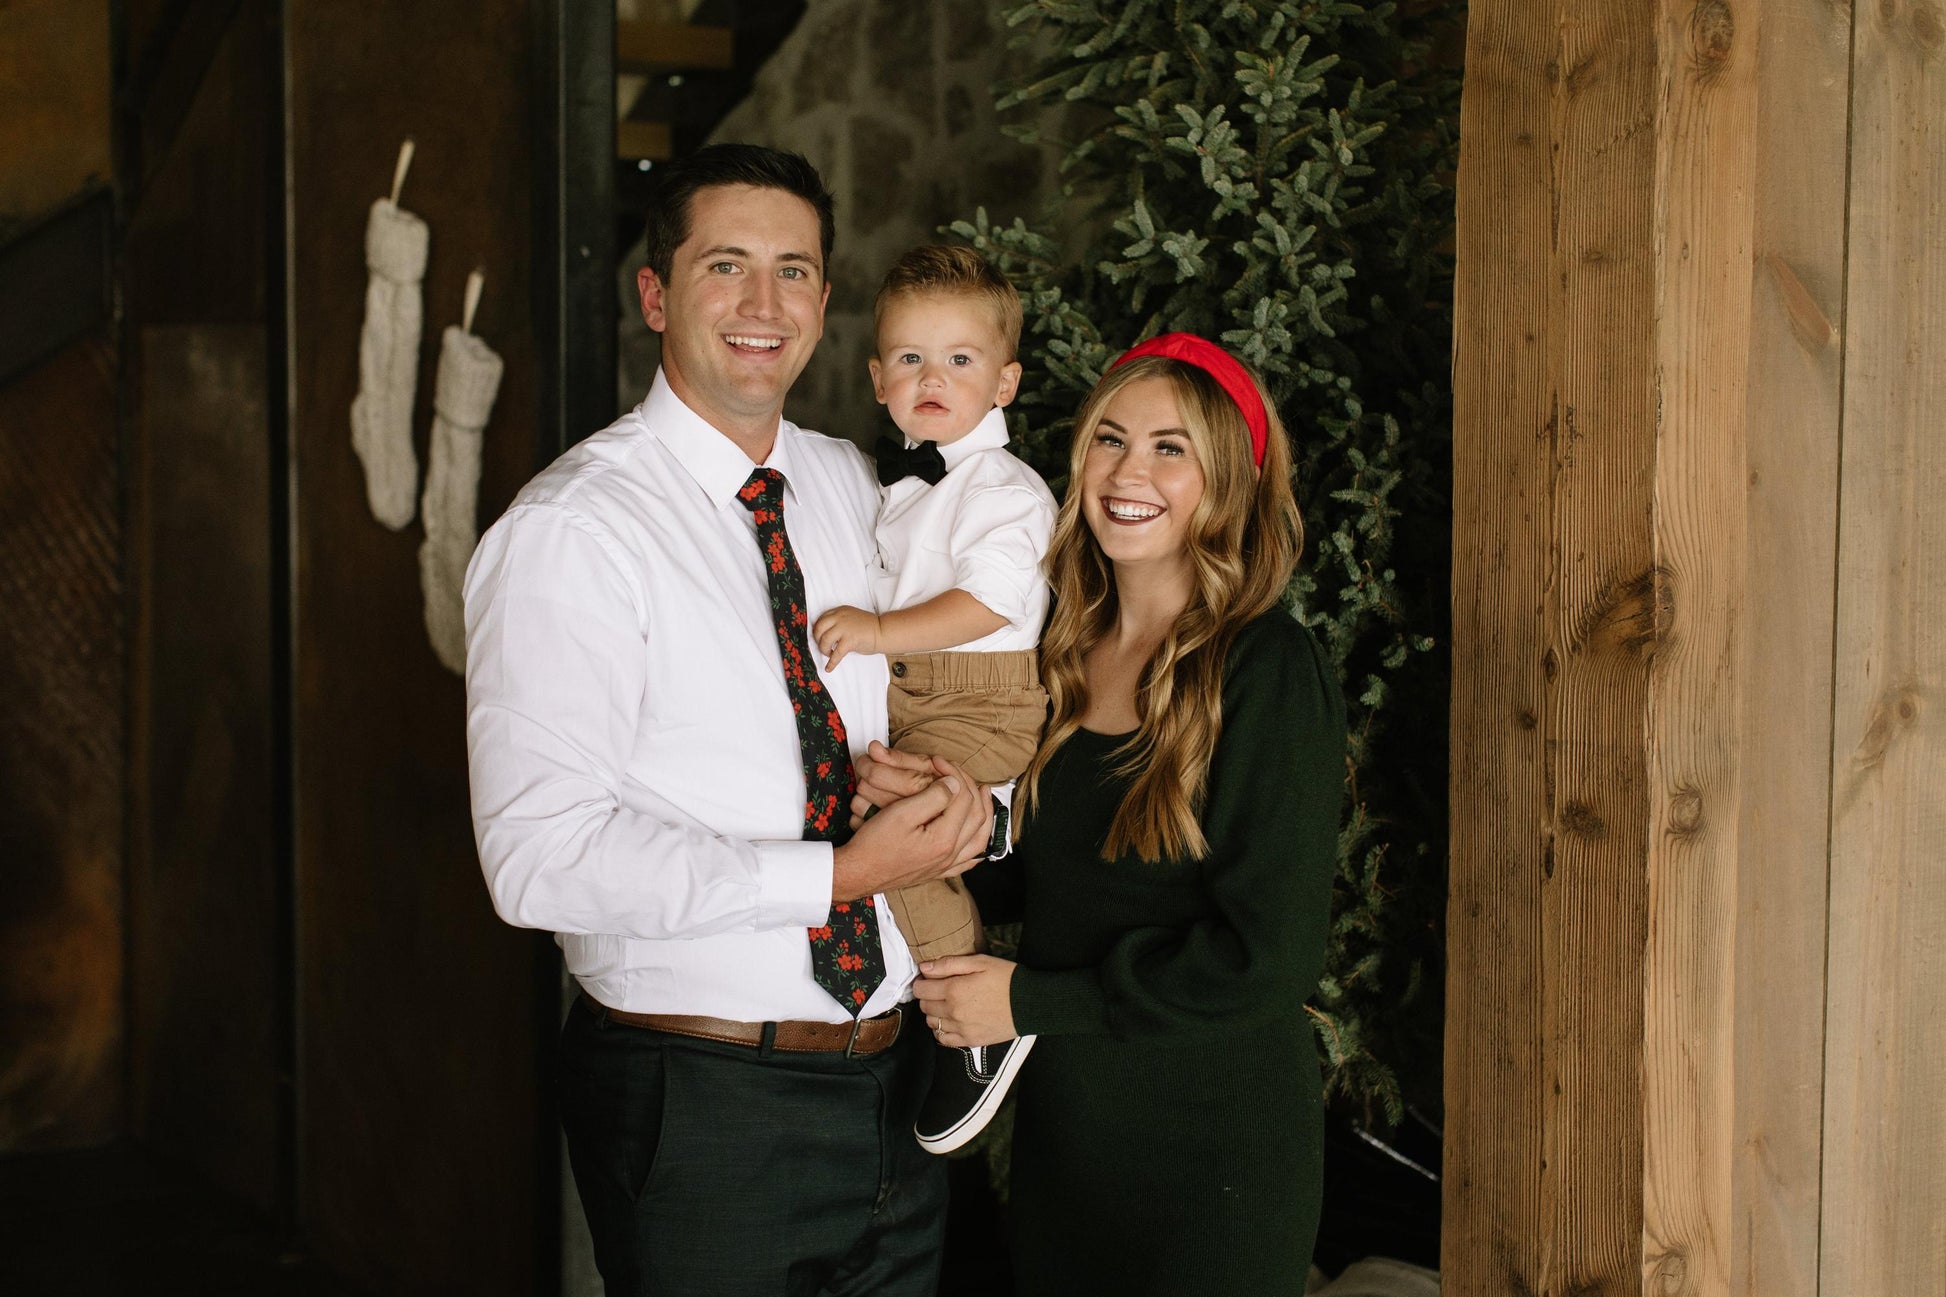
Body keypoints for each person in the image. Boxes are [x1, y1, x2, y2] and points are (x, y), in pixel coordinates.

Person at [462, 143, 996, 1296]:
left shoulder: (863, 488)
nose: (764, 303)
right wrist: (837, 875)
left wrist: (956, 794)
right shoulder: (570, 531)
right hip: (698, 1097)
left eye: (792, 270)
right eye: (726, 265)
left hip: (894, 1084)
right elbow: (536, 858)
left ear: (822, 300)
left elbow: (941, 687)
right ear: (655, 294)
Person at [890, 334, 1347, 1294]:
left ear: (1228, 480)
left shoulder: (1265, 666)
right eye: (1110, 439)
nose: (1128, 472)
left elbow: (1267, 958)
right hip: (1069, 1149)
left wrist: (1031, 1003)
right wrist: (943, 824)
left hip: (1215, 1154)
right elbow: (1062, 879)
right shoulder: (1062, 646)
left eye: (1170, 448)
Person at [810, 245, 1057, 1154]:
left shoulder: (1001, 488)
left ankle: (977, 1021)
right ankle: (956, 990)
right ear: (878, 379)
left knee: (899, 825)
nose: (932, 378)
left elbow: (988, 603)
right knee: (884, 818)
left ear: (1004, 383)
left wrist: (878, 632)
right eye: (910, 358)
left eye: (959, 358)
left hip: (984, 702)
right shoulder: (899, 483)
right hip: (923, 703)